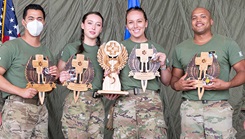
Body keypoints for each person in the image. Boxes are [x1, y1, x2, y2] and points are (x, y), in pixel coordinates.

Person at [171, 7, 245, 138]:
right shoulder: (180, 48)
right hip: (190, 108)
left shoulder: (227, 44)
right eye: (194, 17)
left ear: (211, 21)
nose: (198, 20)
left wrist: (227, 84)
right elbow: (174, 77)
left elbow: (242, 71)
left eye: (203, 16)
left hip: (218, 107)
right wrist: (177, 85)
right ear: (191, 23)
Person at [109, 7, 171, 139]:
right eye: (131, 22)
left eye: (139, 21)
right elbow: (111, 78)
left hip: (151, 102)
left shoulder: (157, 48)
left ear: (146, 23)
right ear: (126, 26)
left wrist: (163, 65)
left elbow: (167, 81)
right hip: (125, 102)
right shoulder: (118, 48)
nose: (135, 26)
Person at [0, 4, 59, 138]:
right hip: (17, 108)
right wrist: (20, 91)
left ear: (44, 22)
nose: (35, 22)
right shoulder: (11, 47)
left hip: (41, 109)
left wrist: (54, 77)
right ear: (24, 22)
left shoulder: (46, 52)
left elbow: (46, 84)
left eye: (39, 19)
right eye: (31, 18)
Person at [58, 11, 104, 138]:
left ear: (101, 28)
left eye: (98, 24)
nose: (93, 28)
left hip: (97, 103)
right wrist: (61, 77)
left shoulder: (104, 52)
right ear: (82, 25)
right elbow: (58, 75)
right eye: (89, 23)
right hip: (76, 102)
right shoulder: (70, 48)